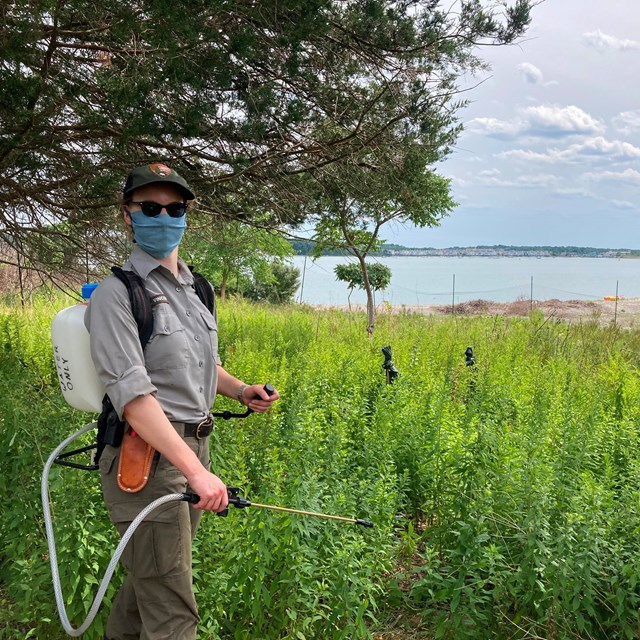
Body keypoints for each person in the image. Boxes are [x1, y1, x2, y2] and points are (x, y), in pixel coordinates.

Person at [85, 163, 279, 640]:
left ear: (187, 215)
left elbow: (198, 365)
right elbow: (132, 396)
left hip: (193, 449)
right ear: (128, 217)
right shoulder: (117, 294)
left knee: (148, 583)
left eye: (175, 208)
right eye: (150, 208)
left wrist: (239, 389)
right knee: (172, 607)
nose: (164, 216)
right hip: (148, 459)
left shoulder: (198, 289)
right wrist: (193, 472)